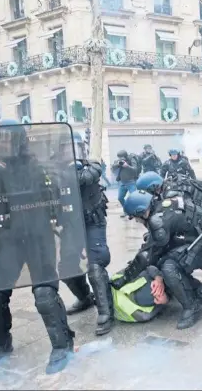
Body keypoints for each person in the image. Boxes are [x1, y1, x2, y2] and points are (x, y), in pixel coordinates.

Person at [0, 119, 76, 374]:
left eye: (4, 138)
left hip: (38, 239)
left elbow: (57, 198)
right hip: (5, 241)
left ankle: (62, 344)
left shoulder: (36, 169)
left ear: (18, 141)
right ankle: (0, 343)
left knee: (45, 295)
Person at [118, 190, 202, 329]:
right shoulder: (164, 205)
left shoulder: (157, 220)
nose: (137, 221)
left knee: (169, 266)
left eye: (134, 217)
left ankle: (192, 306)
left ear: (140, 212)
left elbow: (148, 256)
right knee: (172, 258)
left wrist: (126, 276)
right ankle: (201, 291)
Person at [136, 171, 202, 296]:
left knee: (183, 256)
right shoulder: (171, 183)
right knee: (188, 253)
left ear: (153, 188)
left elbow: (180, 216)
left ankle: (199, 291)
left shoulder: (172, 193)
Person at [59, 133, 114, 336]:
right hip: (70, 225)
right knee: (65, 268)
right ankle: (84, 297)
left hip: (93, 222)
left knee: (95, 266)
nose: (71, 151)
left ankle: (106, 311)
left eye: (74, 147)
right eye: (66, 148)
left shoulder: (90, 167)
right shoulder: (55, 171)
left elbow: (87, 176)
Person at [112, 150, 138, 216]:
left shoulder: (131, 160)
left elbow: (135, 169)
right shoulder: (118, 161)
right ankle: (126, 211)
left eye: (122, 157)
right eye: (119, 157)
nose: (120, 159)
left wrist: (127, 166)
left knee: (134, 197)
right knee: (120, 198)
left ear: (125, 156)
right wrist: (118, 164)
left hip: (131, 182)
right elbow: (113, 168)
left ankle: (135, 211)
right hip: (122, 182)